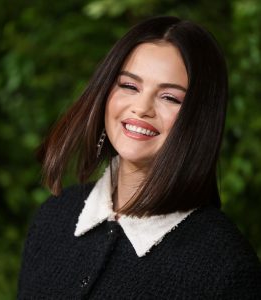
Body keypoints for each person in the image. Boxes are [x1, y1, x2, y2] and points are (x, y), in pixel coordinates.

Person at [17, 16, 261, 299]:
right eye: (129, 86)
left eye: (169, 97)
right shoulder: (54, 218)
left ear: (200, 119)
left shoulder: (226, 268)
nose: (141, 108)